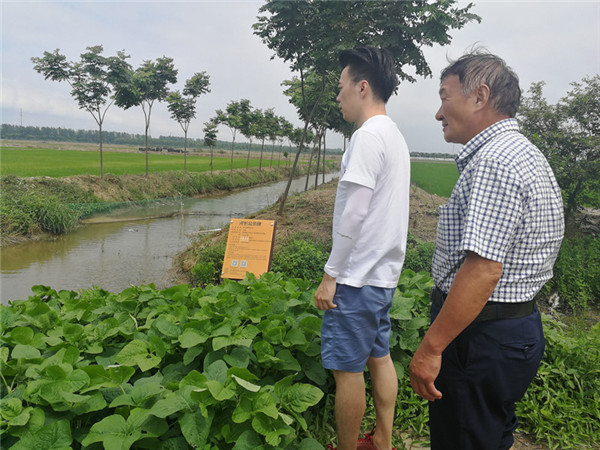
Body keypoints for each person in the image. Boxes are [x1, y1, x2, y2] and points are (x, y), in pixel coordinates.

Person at [409, 49, 565, 450]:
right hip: (511, 330)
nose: (438, 113)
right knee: (488, 435)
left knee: (463, 438)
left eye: (444, 97)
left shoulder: (494, 161)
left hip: (479, 338)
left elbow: (482, 270)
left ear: (479, 96)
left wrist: (431, 348)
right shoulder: (524, 153)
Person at [314, 46, 410, 450]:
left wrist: (330, 275)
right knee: (379, 356)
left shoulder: (367, 136)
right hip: (382, 276)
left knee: (348, 371)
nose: (337, 96)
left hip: (355, 279)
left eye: (341, 87)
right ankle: (383, 440)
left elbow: (354, 212)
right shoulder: (394, 135)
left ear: (362, 87)